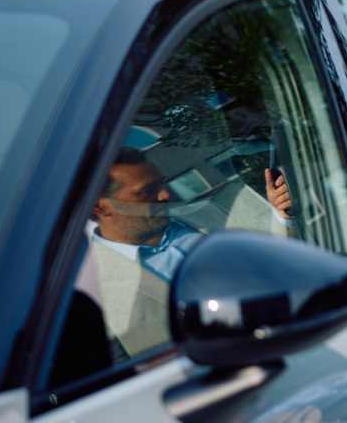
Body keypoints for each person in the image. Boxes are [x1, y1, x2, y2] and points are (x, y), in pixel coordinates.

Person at [87, 148, 294, 357]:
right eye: (146, 190)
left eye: (161, 182)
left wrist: (279, 215)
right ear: (101, 208)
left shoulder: (209, 212)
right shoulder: (93, 292)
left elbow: (276, 262)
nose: (165, 194)